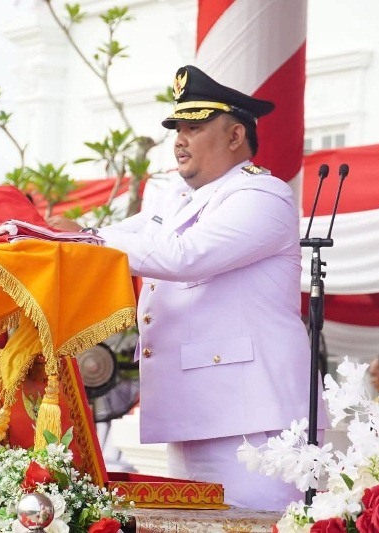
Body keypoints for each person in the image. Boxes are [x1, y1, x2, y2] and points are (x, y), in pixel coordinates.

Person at [49, 65, 325, 510]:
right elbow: (112, 239)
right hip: (195, 412)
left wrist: (86, 236)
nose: (179, 139)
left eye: (194, 127)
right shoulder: (176, 202)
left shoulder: (263, 196)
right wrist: (71, 237)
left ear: (235, 136)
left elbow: (182, 255)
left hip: (255, 423)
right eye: (177, 127)